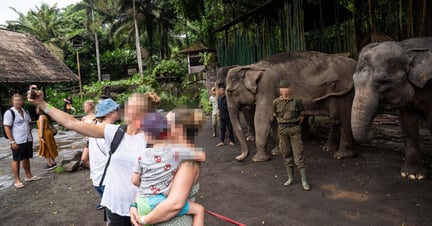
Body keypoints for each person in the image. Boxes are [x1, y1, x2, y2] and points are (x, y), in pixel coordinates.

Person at [28, 90, 156, 225]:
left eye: (132, 107)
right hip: (116, 204)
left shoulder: (154, 139)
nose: (126, 110)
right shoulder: (114, 131)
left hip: (143, 205)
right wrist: (42, 104)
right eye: (127, 106)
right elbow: (72, 123)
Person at [130, 108, 206, 226]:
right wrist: (134, 204)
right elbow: (146, 181)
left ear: (179, 128)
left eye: (166, 123)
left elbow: (174, 204)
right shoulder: (167, 153)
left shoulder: (187, 162)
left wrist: (145, 220)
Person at [272, 80, 310, 191]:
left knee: (298, 154)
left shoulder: (297, 101)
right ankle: (291, 178)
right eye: (282, 88)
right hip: (282, 130)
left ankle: (304, 180)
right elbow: (275, 114)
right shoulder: (276, 102)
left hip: (295, 130)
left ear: (290, 89)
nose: (284, 90)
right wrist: (281, 122)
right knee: (286, 153)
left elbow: (302, 114)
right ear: (280, 90)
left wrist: (296, 124)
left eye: (286, 88)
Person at [3, 93, 41, 189]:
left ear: (22, 101)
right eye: (16, 100)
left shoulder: (25, 111)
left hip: (27, 138)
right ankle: (17, 180)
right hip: (17, 140)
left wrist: (31, 137)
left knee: (26, 157)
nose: (18, 102)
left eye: (19, 100)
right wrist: (12, 141)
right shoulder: (9, 112)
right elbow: (7, 127)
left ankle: (28, 175)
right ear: (12, 102)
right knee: (16, 159)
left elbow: (28, 125)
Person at [89, 98, 120, 210]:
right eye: (117, 109)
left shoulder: (94, 128)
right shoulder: (109, 131)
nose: (119, 111)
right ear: (110, 113)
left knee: (109, 211)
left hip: (97, 176)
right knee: (115, 211)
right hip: (107, 179)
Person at [80, 100, 97, 168]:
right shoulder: (84, 118)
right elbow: (80, 130)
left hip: (96, 140)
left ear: (90, 106)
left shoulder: (96, 117)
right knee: (83, 160)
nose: (84, 108)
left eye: (85, 106)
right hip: (88, 141)